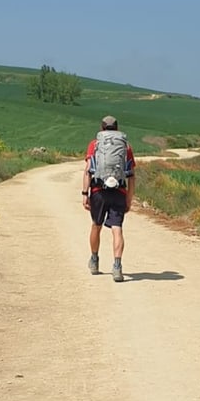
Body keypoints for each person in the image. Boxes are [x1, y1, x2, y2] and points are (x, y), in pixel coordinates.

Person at [82, 115, 136, 282]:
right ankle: (117, 266)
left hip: (99, 191)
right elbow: (132, 176)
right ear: (117, 129)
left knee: (96, 226)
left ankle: (94, 259)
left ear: (102, 128)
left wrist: (85, 194)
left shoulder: (95, 145)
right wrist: (129, 198)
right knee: (117, 228)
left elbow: (88, 171)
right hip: (119, 192)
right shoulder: (126, 146)